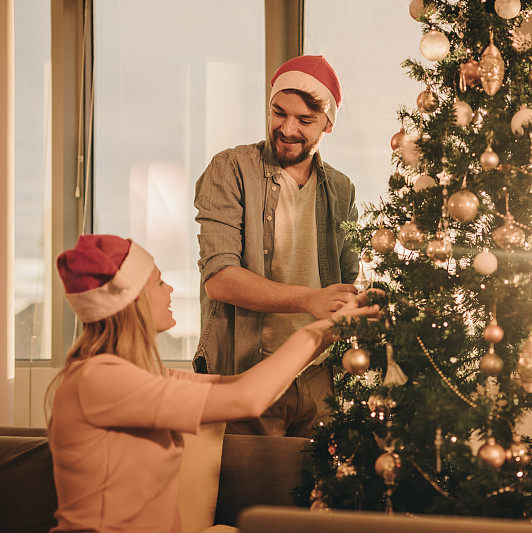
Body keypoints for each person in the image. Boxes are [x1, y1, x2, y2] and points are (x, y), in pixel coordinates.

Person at [46, 234, 379, 532]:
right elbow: (247, 399)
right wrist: (324, 327)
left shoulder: (140, 375)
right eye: (159, 284)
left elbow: (245, 385)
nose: (170, 289)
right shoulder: (100, 379)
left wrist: (331, 331)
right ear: (134, 300)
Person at [194, 55, 360, 437]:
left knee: (315, 495)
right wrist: (309, 300)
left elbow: (348, 277)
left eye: (304, 120)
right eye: (278, 113)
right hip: (247, 374)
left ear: (328, 124)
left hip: (319, 379)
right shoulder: (231, 169)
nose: (287, 129)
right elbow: (220, 279)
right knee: (247, 493)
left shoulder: (341, 188)